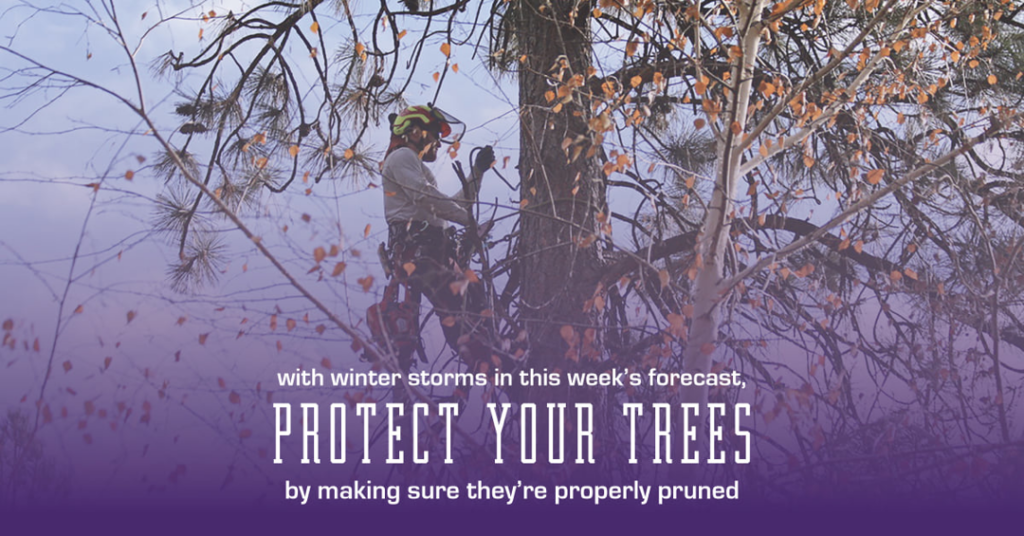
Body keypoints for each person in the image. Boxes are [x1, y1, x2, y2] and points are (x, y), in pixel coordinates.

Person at [369, 104, 496, 375]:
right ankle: (487, 360)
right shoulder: (401, 156)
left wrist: (477, 173)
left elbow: (446, 206)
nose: (439, 142)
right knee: (460, 313)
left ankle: (490, 358)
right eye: (435, 134)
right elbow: (426, 197)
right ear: (414, 132)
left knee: (473, 307)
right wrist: (468, 222)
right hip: (420, 255)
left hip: (433, 254)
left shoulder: (413, 166)